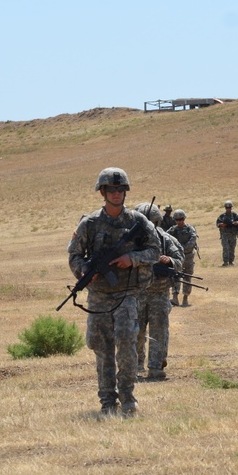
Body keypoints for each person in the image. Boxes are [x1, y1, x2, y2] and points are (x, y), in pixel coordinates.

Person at [67, 167, 161, 416]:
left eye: (120, 189)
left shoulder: (137, 222)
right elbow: (74, 255)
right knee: (102, 347)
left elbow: (155, 250)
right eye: (111, 189)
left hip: (126, 293)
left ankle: (128, 397)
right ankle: (108, 400)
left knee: (127, 343)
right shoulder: (89, 223)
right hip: (98, 296)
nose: (116, 193)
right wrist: (85, 270)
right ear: (102, 192)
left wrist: (132, 258)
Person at [134, 202, 185, 381]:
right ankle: (134, 366)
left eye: (150, 222)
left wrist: (169, 261)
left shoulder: (165, 239)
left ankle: (156, 366)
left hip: (160, 293)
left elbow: (179, 258)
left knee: (159, 331)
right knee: (135, 330)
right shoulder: (131, 240)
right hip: (137, 293)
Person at [167, 209, 198, 307]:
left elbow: (193, 240)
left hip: (188, 257)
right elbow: (166, 239)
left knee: (187, 277)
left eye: (181, 219)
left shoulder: (190, 229)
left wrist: (181, 249)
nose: (179, 221)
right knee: (175, 276)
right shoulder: (172, 230)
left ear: (184, 219)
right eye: (177, 220)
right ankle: (175, 297)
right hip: (177, 258)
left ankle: (185, 298)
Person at [216, 201, 238, 266]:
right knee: (225, 248)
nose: (228, 209)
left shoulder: (235, 215)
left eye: (229, 207)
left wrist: (236, 223)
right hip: (225, 234)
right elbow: (218, 224)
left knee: (232, 248)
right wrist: (222, 224)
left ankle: (231, 261)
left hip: (233, 234)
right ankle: (225, 262)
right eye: (227, 207)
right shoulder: (222, 216)